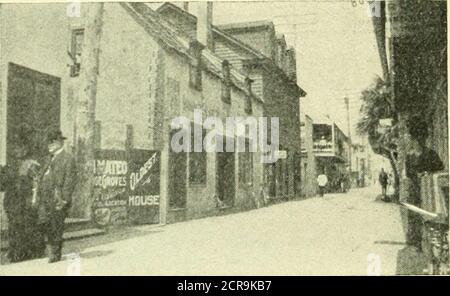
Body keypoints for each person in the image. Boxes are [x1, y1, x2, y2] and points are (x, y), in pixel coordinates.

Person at [0, 132, 44, 262]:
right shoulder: (11, 165)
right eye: (15, 148)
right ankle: (15, 251)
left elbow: (37, 185)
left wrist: (34, 200)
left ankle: (26, 252)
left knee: (26, 227)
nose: (17, 150)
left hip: (25, 203)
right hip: (12, 203)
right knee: (14, 228)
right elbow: (3, 185)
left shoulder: (32, 164)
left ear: (26, 148)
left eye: (20, 147)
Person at [36, 130, 77, 263]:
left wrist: (64, 199)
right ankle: (49, 249)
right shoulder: (48, 159)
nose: (49, 144)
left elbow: (70, 181)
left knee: (56, 225)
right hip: (44, 198)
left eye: (52, 141)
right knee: (44, 223)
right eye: (48, 142)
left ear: (60, 142)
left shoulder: (68, 158)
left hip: (57, 198)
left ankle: (55, 253)